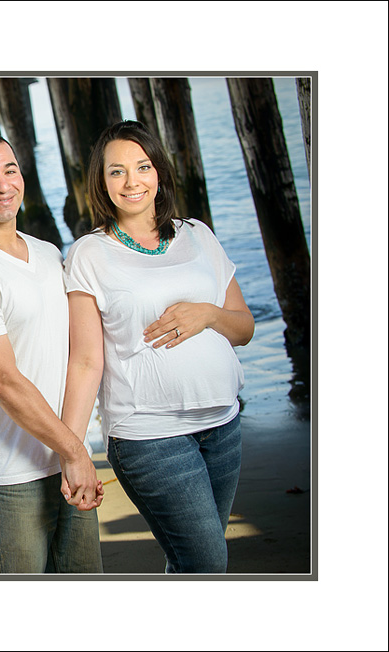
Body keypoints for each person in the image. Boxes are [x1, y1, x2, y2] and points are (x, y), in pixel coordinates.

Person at [62, 120, 255, 573]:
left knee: (194, 562)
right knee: (206, 562)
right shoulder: (88, 254)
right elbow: (87, 361)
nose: (132, 182)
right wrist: (74, 452)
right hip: (148, 435)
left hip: (223, 423)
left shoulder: (198, 234)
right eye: (116, 171)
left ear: (159, 173)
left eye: (142, 166)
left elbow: (243, 328)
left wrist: (207, 314)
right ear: (100, 181)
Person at [0, 130, 103, 573]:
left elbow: (78, 354)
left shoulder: (48, 254)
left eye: (10, 170)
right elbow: (4, 381)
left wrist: (73, 448)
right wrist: (75, 452)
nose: (2, 184)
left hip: (66, 454)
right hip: (10, 474)